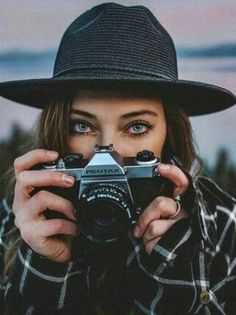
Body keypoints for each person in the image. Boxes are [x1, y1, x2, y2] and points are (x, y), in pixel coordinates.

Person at [0, 3, 236, 315]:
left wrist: (178, 262)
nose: (106, 152)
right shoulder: (13, 222)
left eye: (137, 127)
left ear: (170, 134)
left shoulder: (224, 228)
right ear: (58, 129)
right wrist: (42, 263)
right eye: (81, 126)